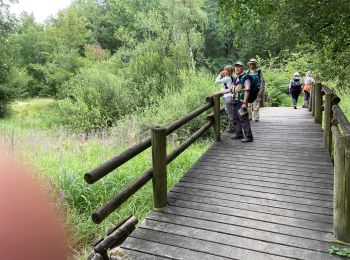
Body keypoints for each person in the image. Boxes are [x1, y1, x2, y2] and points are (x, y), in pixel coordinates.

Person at [226, 61, 254, 142]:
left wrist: (245, 103)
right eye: (236, 67)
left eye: (239, 67)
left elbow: (247, 90)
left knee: (244, 119)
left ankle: (249, 137)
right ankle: (239, 134)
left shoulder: (245, 77)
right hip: (235, 102)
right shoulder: (236, 78)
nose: (237, 68)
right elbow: (233, 89)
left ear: (242, 68)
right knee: (236, 118)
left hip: (242, 102)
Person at [215, 65, 235, 133]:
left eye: (225, 70)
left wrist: (219, 75)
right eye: (224, 69)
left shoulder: (227, 78)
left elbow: (217, 81)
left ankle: (232, 127)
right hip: (231, 96)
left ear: (228, 71)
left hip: (227, 97)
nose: (224, 71)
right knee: (230, 112)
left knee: (230, 113)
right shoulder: (232, 78)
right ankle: (232, 126)